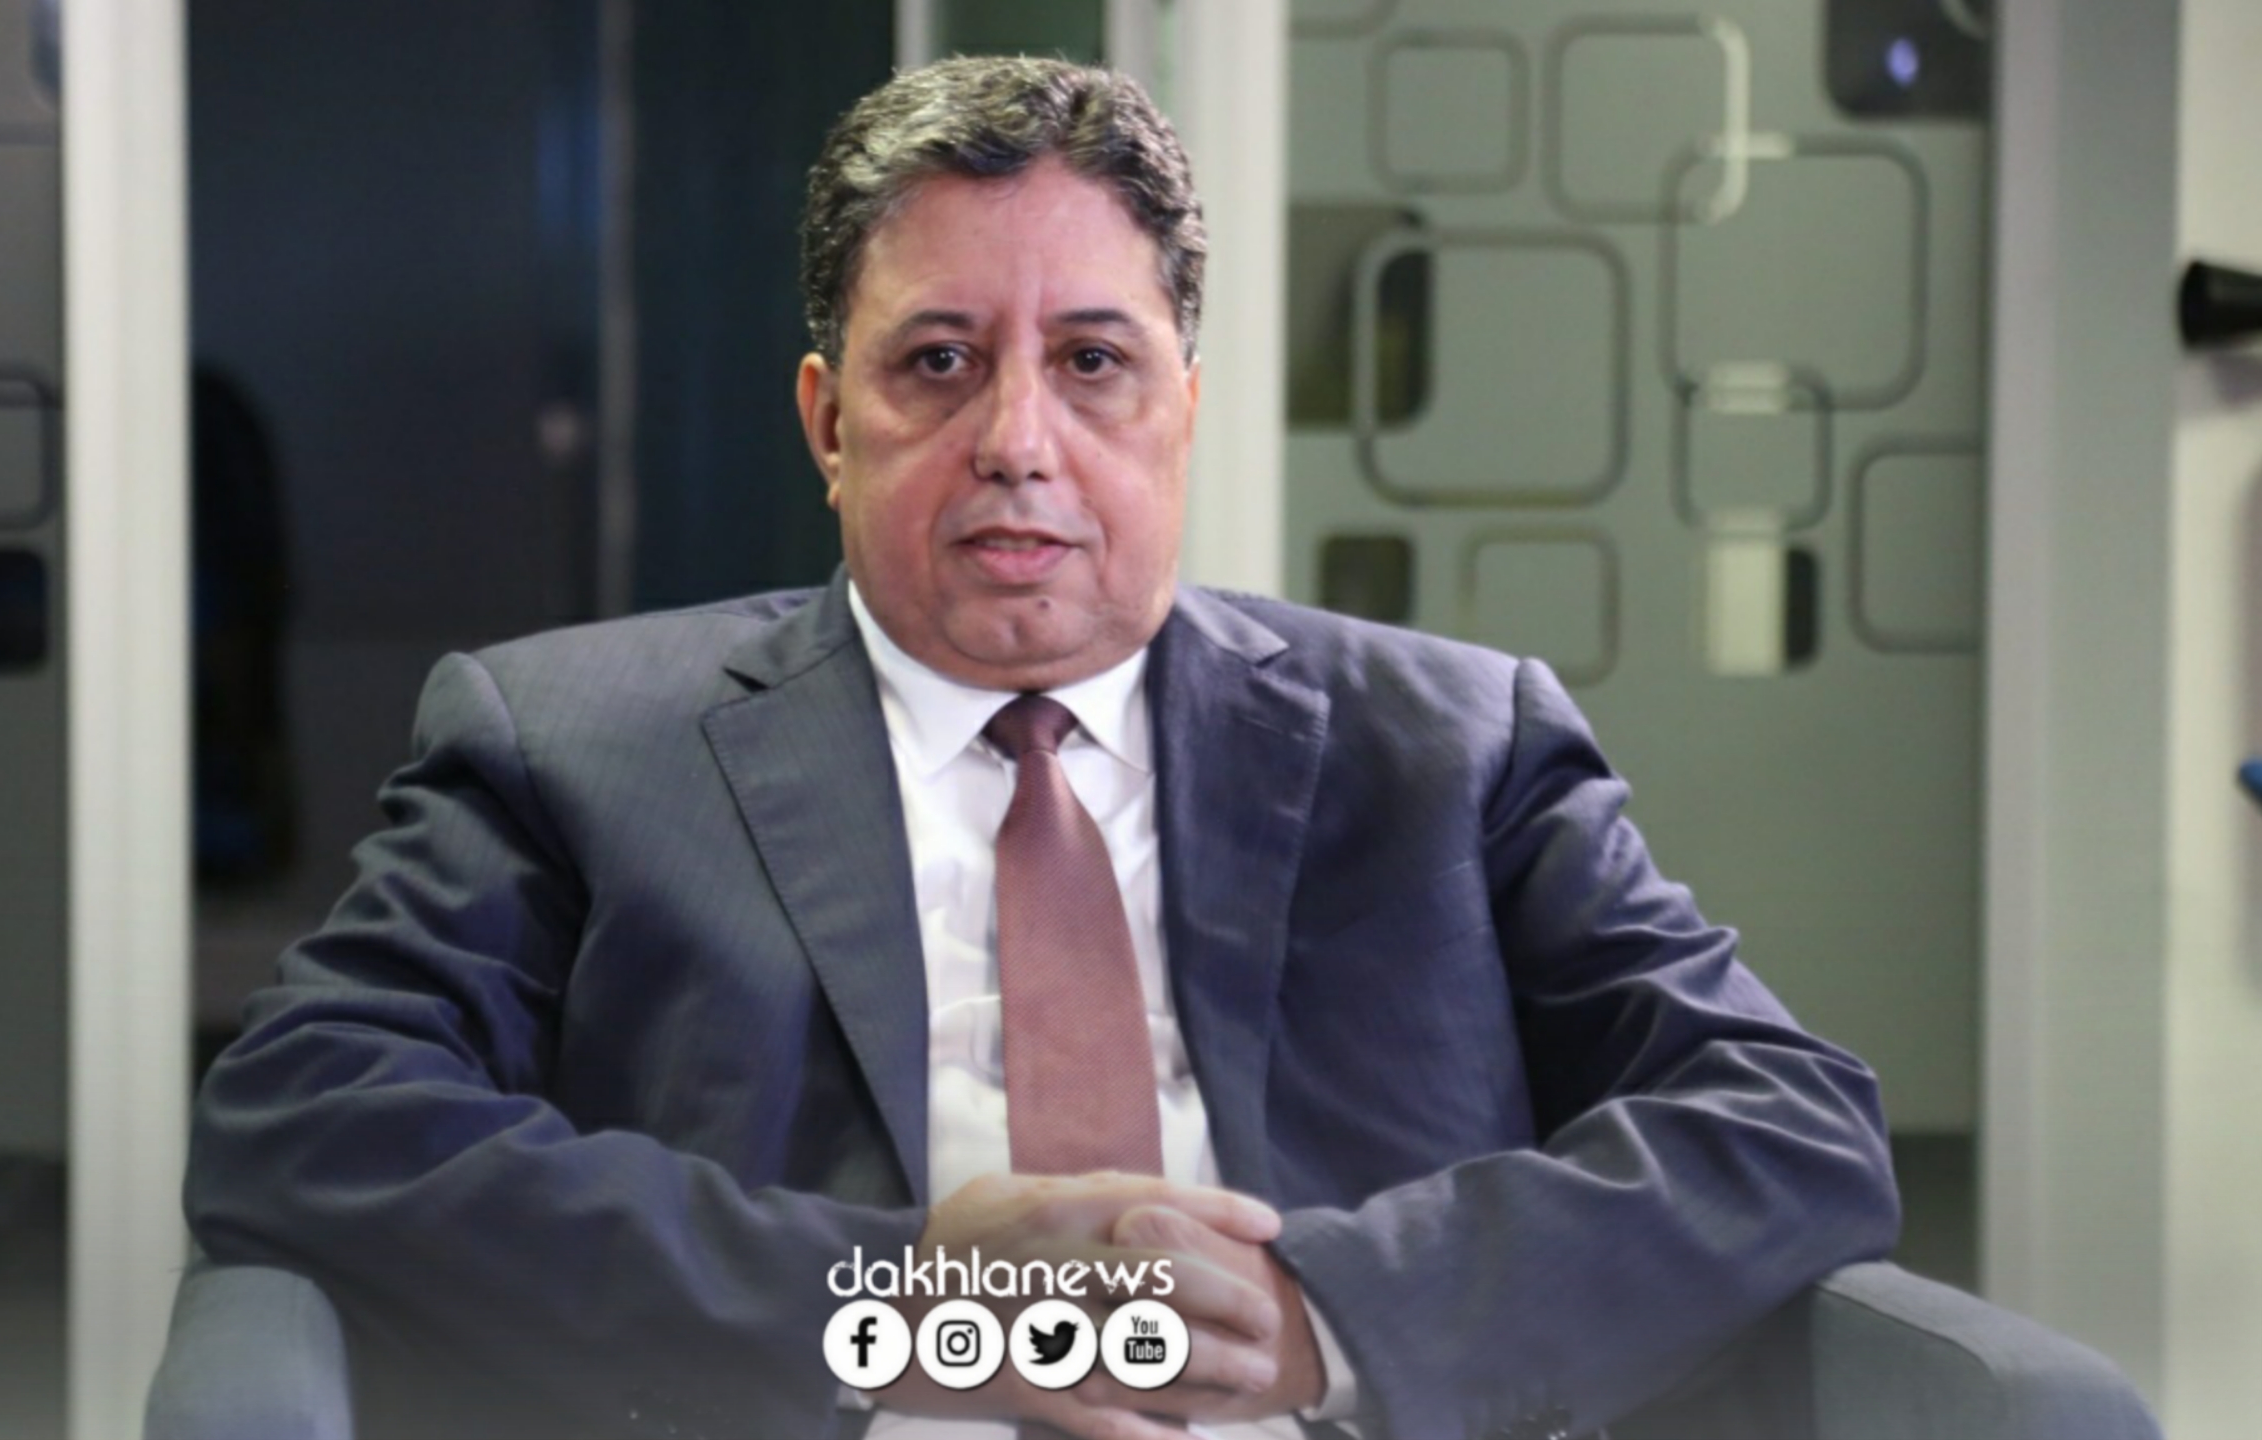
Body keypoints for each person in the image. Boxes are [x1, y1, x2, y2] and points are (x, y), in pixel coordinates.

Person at [186, 56, 1899, 1440]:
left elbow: (1788, 1125)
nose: (1019, 439)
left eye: (1092, 361)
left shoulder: (1451, 749)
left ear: (1183, 411)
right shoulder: (571, 746)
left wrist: (1327, 1316)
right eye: (938, 361)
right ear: (827, 424)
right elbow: (303, 1115)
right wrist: (890, 1307)